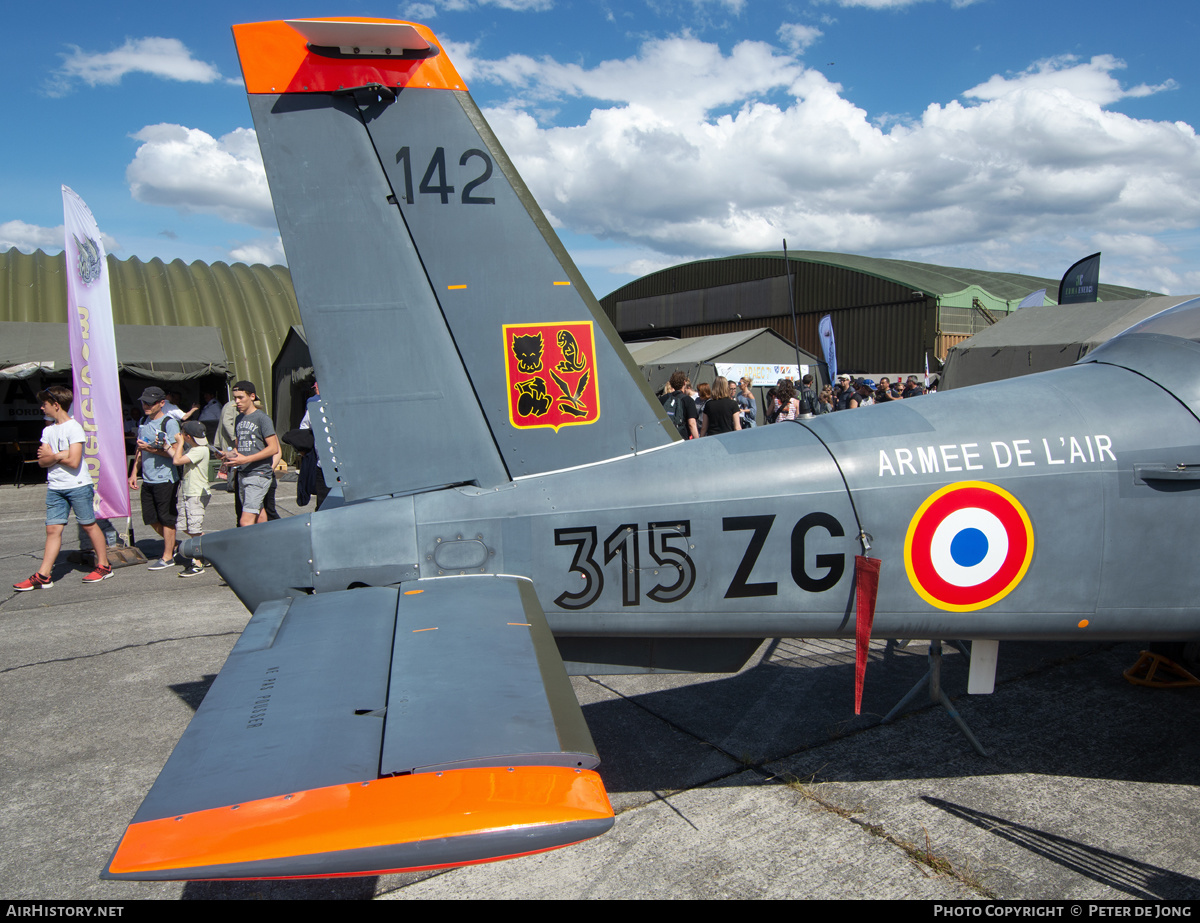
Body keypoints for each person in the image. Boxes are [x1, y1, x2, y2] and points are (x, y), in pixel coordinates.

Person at [13, 386, 113, 590]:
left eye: (45, 404)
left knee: (88, 525)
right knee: (52, 529)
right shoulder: (48, 430)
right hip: (55, 487)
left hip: (77, 485)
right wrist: (60, 455)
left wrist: (54, 456)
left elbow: (75, 461)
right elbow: (41, 462)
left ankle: (104, 566)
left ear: (56, 405)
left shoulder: (74, 427)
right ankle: (43, 575)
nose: (42, 408)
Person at [128, 386, 180, 570]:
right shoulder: (143, 420)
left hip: (165, 478)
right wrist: (134, 472)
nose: (146, 406)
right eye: (144, 402)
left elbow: (176, 454)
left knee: (167, 518)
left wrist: (150, 448)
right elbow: (139, 450)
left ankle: (168, 556)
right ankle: (173, 544)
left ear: (161, 403)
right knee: (150, 518)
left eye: (150, 403)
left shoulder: (169, 423)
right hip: (148, 478)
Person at [224, 380, 281, 527]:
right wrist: (227, 455)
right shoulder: (239, 419)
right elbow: (239, 448)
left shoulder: (262, 419)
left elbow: (273, 448)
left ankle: (248, 549)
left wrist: (246, 460)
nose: (237, 401)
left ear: (252, 396)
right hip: (243, 473)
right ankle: (265, 546)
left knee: (245, 521)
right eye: (235, 398)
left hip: (258, 474)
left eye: (240, 397)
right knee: (259, 514)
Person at [170, 421, 211, 577]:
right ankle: (209, 547)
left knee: (194, 530)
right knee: (185, 526)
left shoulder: (199, 450)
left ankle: (197, 563)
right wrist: (168, 447)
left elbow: (177, 461)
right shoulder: (194, 449)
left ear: (187, 436)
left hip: (196, 494)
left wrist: (179, 443)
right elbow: (177, 456)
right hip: (189, 493)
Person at [659, 370, 699, 440]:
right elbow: (691, 424)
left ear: (671, 384)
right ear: (684, 383)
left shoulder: (663, 399)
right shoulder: (688, 400)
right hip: (682, 436)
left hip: (665, 435)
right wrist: (698, 440)